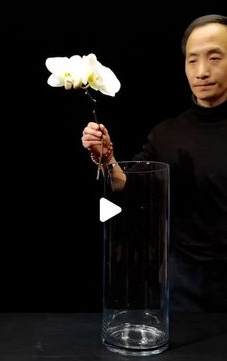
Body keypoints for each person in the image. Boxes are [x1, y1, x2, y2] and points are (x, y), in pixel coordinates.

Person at [81, 14, 227, 312]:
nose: (202, 72)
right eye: (191, 60)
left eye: (215, 58)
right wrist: (107, 158)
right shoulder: (166, 134)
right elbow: (129, 184)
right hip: (185, 282)